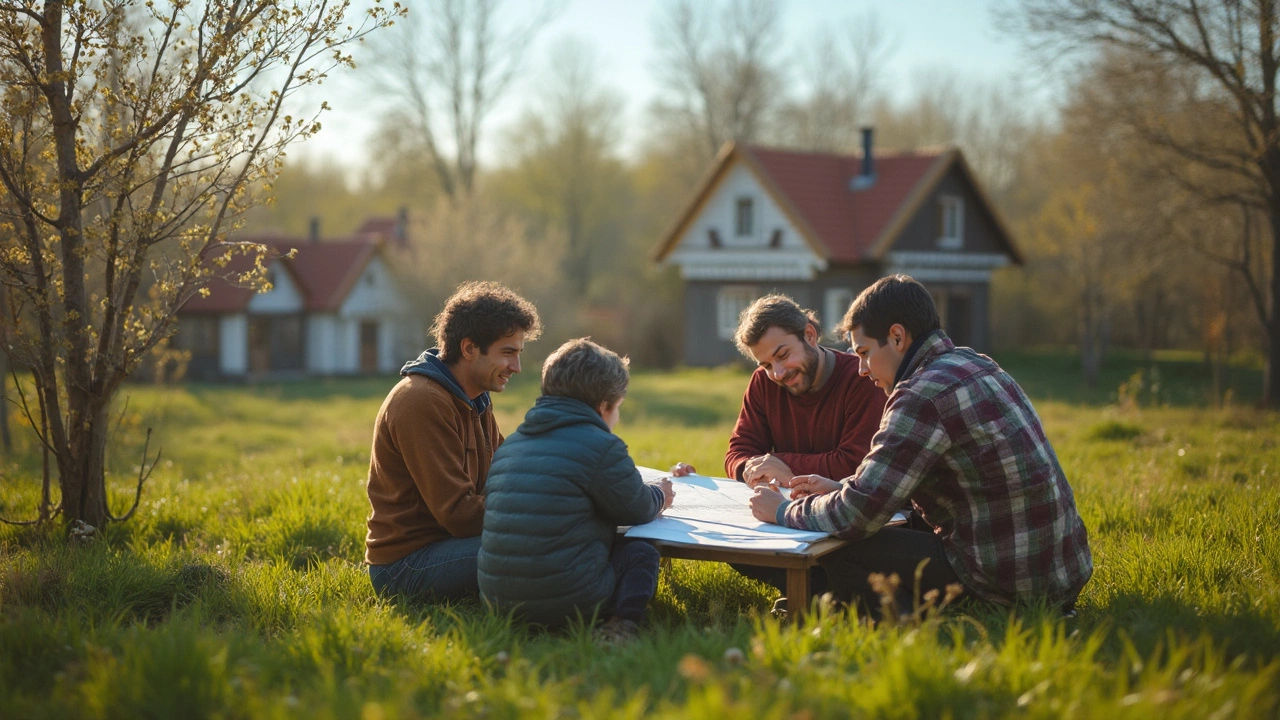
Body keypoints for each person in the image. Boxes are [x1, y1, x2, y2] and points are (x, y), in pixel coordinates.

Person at [750, 275, 1093, 615]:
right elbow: (891, 486)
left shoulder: (920, 394)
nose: (862, 370)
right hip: (1059, 573)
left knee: (841, 546)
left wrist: (781, 511)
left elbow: (857, 516)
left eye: (865, 353)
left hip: (1004, 582)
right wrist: (839, 487)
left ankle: (892, 617)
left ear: (897, 337)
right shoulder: (977, 364)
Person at [479, 338, 675, 641]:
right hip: (570, 602)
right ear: (604, 406)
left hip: (498, 603)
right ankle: (620, 625)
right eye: (618, 408)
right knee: (640, 553)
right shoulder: (601, 446)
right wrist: (660, 494)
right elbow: (637, 508)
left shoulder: (511, 445)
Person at [364, 281, 541, 601]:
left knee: (566, 539)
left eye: (518, 354)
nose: (516, 367)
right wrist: (540, 513)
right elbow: (459, 515)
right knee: (548, 550)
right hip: (407, 566)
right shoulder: (420, 401)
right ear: (470, 348)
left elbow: (507, 470)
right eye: (508, 353)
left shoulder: (475, 397)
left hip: (451, 545)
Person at [723, 294, 886, 601]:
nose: (778, 373)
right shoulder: (763, 382)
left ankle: (826, 594)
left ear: (809, 334)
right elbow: (738, 451)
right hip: (784, 516)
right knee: (734, 548)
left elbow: (855, 465)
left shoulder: (862, 379)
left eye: (783, 355)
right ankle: (823, 592)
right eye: (766, 364)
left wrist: (782, 466)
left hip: (843, 522)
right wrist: (751, 470)